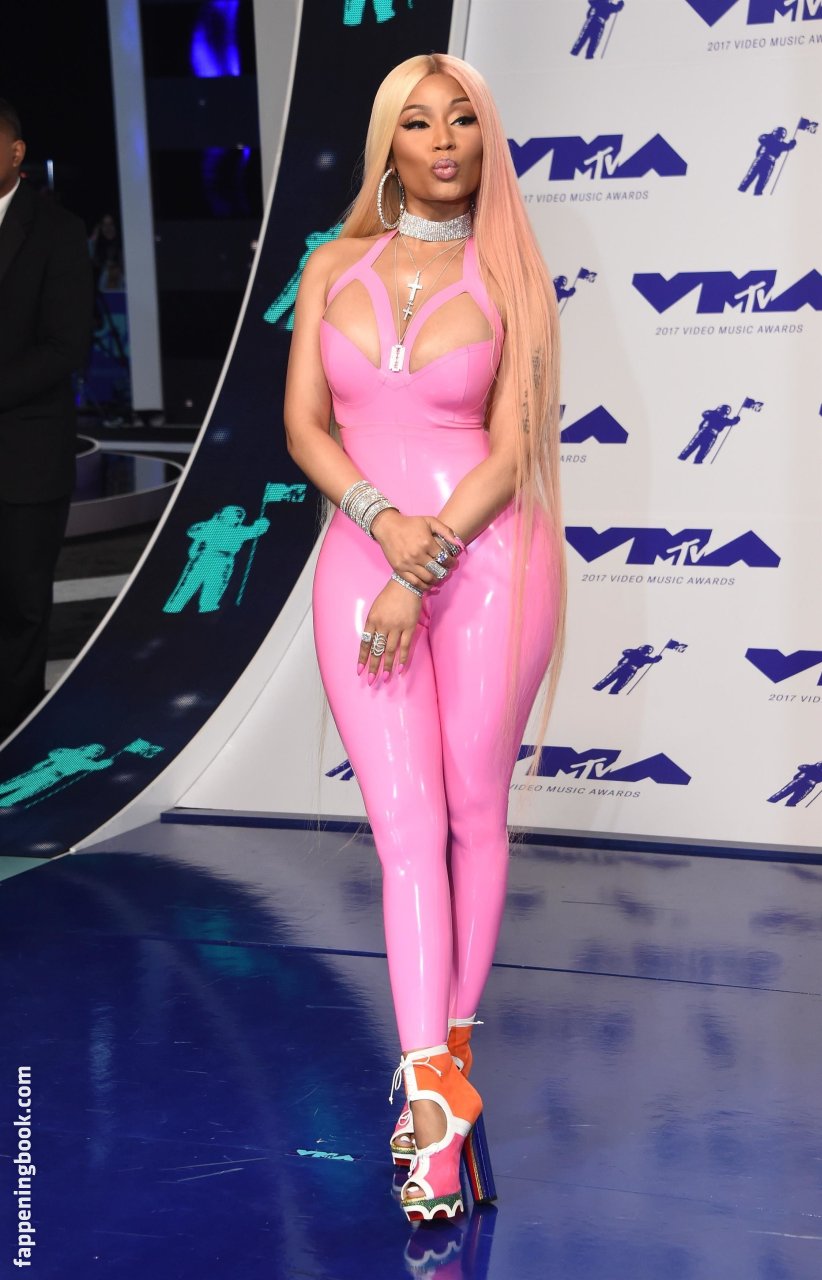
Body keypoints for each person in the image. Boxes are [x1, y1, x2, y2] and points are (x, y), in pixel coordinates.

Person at [284, 54, 564, 1221]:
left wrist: (425, 556)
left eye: (462, 120)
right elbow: (305, 424)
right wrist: (381, 526)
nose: (443, 139)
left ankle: (440, 1080)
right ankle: (435, 1096)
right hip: (364, 557)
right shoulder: (330, 264)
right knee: (403, 835)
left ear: (483, 138)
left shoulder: (514, 272)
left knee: (470, 813)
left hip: (492, 559)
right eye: (418, 121)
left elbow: (514, 445)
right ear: (387, 143)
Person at [0, 99, 94, 742]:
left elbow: (66, 348)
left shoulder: (57, 230)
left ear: (16, 152)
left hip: (24, 458)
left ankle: (13, 744)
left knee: (19, 606)